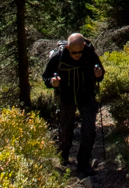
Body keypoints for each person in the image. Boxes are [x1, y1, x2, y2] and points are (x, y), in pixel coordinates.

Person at [42, 32, 104, 176]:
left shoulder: (90, 55)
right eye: (73, 52)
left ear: (84, 46)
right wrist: (52, 82)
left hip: (87, 97)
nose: (77, 55)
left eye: (80, 52)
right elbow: (46, 77)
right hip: (66, 98)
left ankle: (83, 163)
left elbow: (100, 74)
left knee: (89, 130)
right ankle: (63, 158)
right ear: (68, 47)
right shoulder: (58, 57)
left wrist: (99, 75)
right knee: (65, 131)